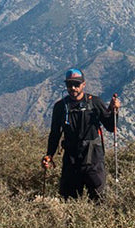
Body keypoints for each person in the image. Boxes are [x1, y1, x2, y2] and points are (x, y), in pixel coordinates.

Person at [43, 68, 119, 200]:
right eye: (69, 84)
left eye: (76, 84)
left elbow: (111, 127)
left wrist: (114, 111)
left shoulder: (95, 102)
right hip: (71, 159)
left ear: (83, 84)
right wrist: (49, 154)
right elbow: (55, 133)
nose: (73, 88)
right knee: (69, 200)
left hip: (93, 158)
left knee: (99, 198)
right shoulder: (60, 107)